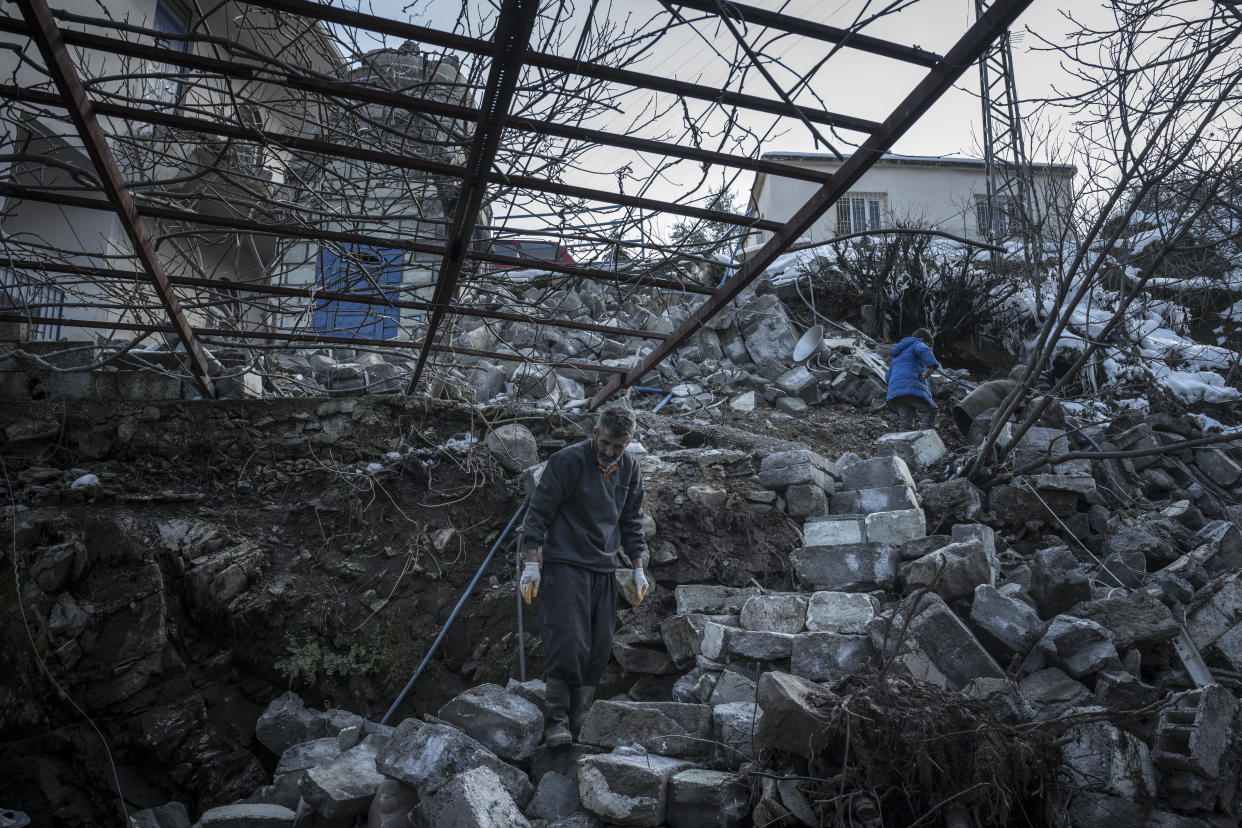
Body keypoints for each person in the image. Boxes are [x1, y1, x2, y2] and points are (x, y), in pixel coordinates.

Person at [518, 404, 648, 747]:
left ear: (627, 444)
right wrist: (532, 562)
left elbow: (631, 522)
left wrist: (638, 569)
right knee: (569, 641)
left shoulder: (630, 470)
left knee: (598, 647)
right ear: (595, 434)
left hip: (603, 569)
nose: (608, 452)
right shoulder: (567, 461)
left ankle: (581, 720)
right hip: (565, 565)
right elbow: (538, 513)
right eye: (604, 443)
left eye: (617, 447)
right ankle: (557, 720)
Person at [885, 328, 940, 431]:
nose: (929, 349)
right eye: (929, 346)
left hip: (896, 393)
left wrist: (896, 386)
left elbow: (888, 376)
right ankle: (923, 437)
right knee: (932, 410)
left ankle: (904, 445)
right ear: (922, 340)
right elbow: (923, 350)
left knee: (906, 425)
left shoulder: (898, 355)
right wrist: (931, 365)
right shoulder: (917, 344)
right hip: (910, 388)